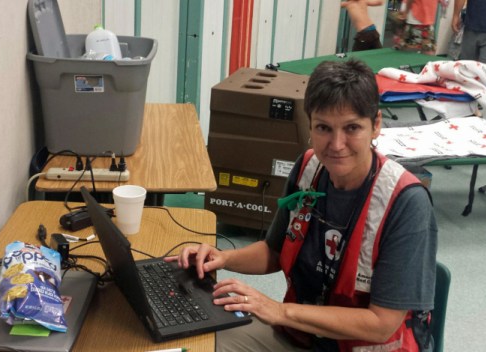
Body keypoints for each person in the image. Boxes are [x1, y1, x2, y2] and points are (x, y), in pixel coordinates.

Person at [166, 60, 438, 351]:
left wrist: (279, 311)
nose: (336, 144)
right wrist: (222, 258)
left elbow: (382, 324)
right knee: (197, 338)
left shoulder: (405, 203)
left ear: (376, 125)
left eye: (352, 128)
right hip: (303, 337)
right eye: (323, 127)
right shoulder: (308, 168)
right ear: (309, 125)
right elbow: (274, 251)